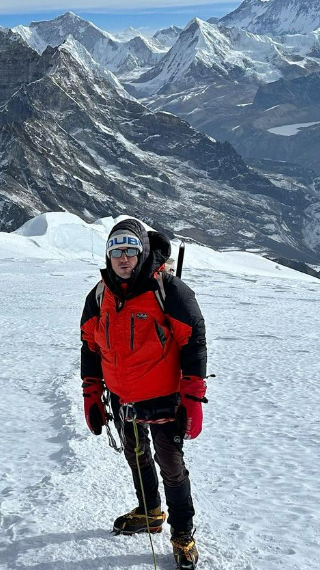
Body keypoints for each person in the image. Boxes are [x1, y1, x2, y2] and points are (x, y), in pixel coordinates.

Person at [80, 218, 208, 570]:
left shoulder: (169, 291)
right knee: (136, 456)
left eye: (131, 251)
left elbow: (193, 341)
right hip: (122, 399)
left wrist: (193, 398)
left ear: (143, 253)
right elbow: (89, 346)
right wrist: (92, 392)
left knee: (171, 466)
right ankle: (151, 511)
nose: (123, 259)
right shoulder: (99, 295)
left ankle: (182, 533)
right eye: (116, 251)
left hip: (164, 397)